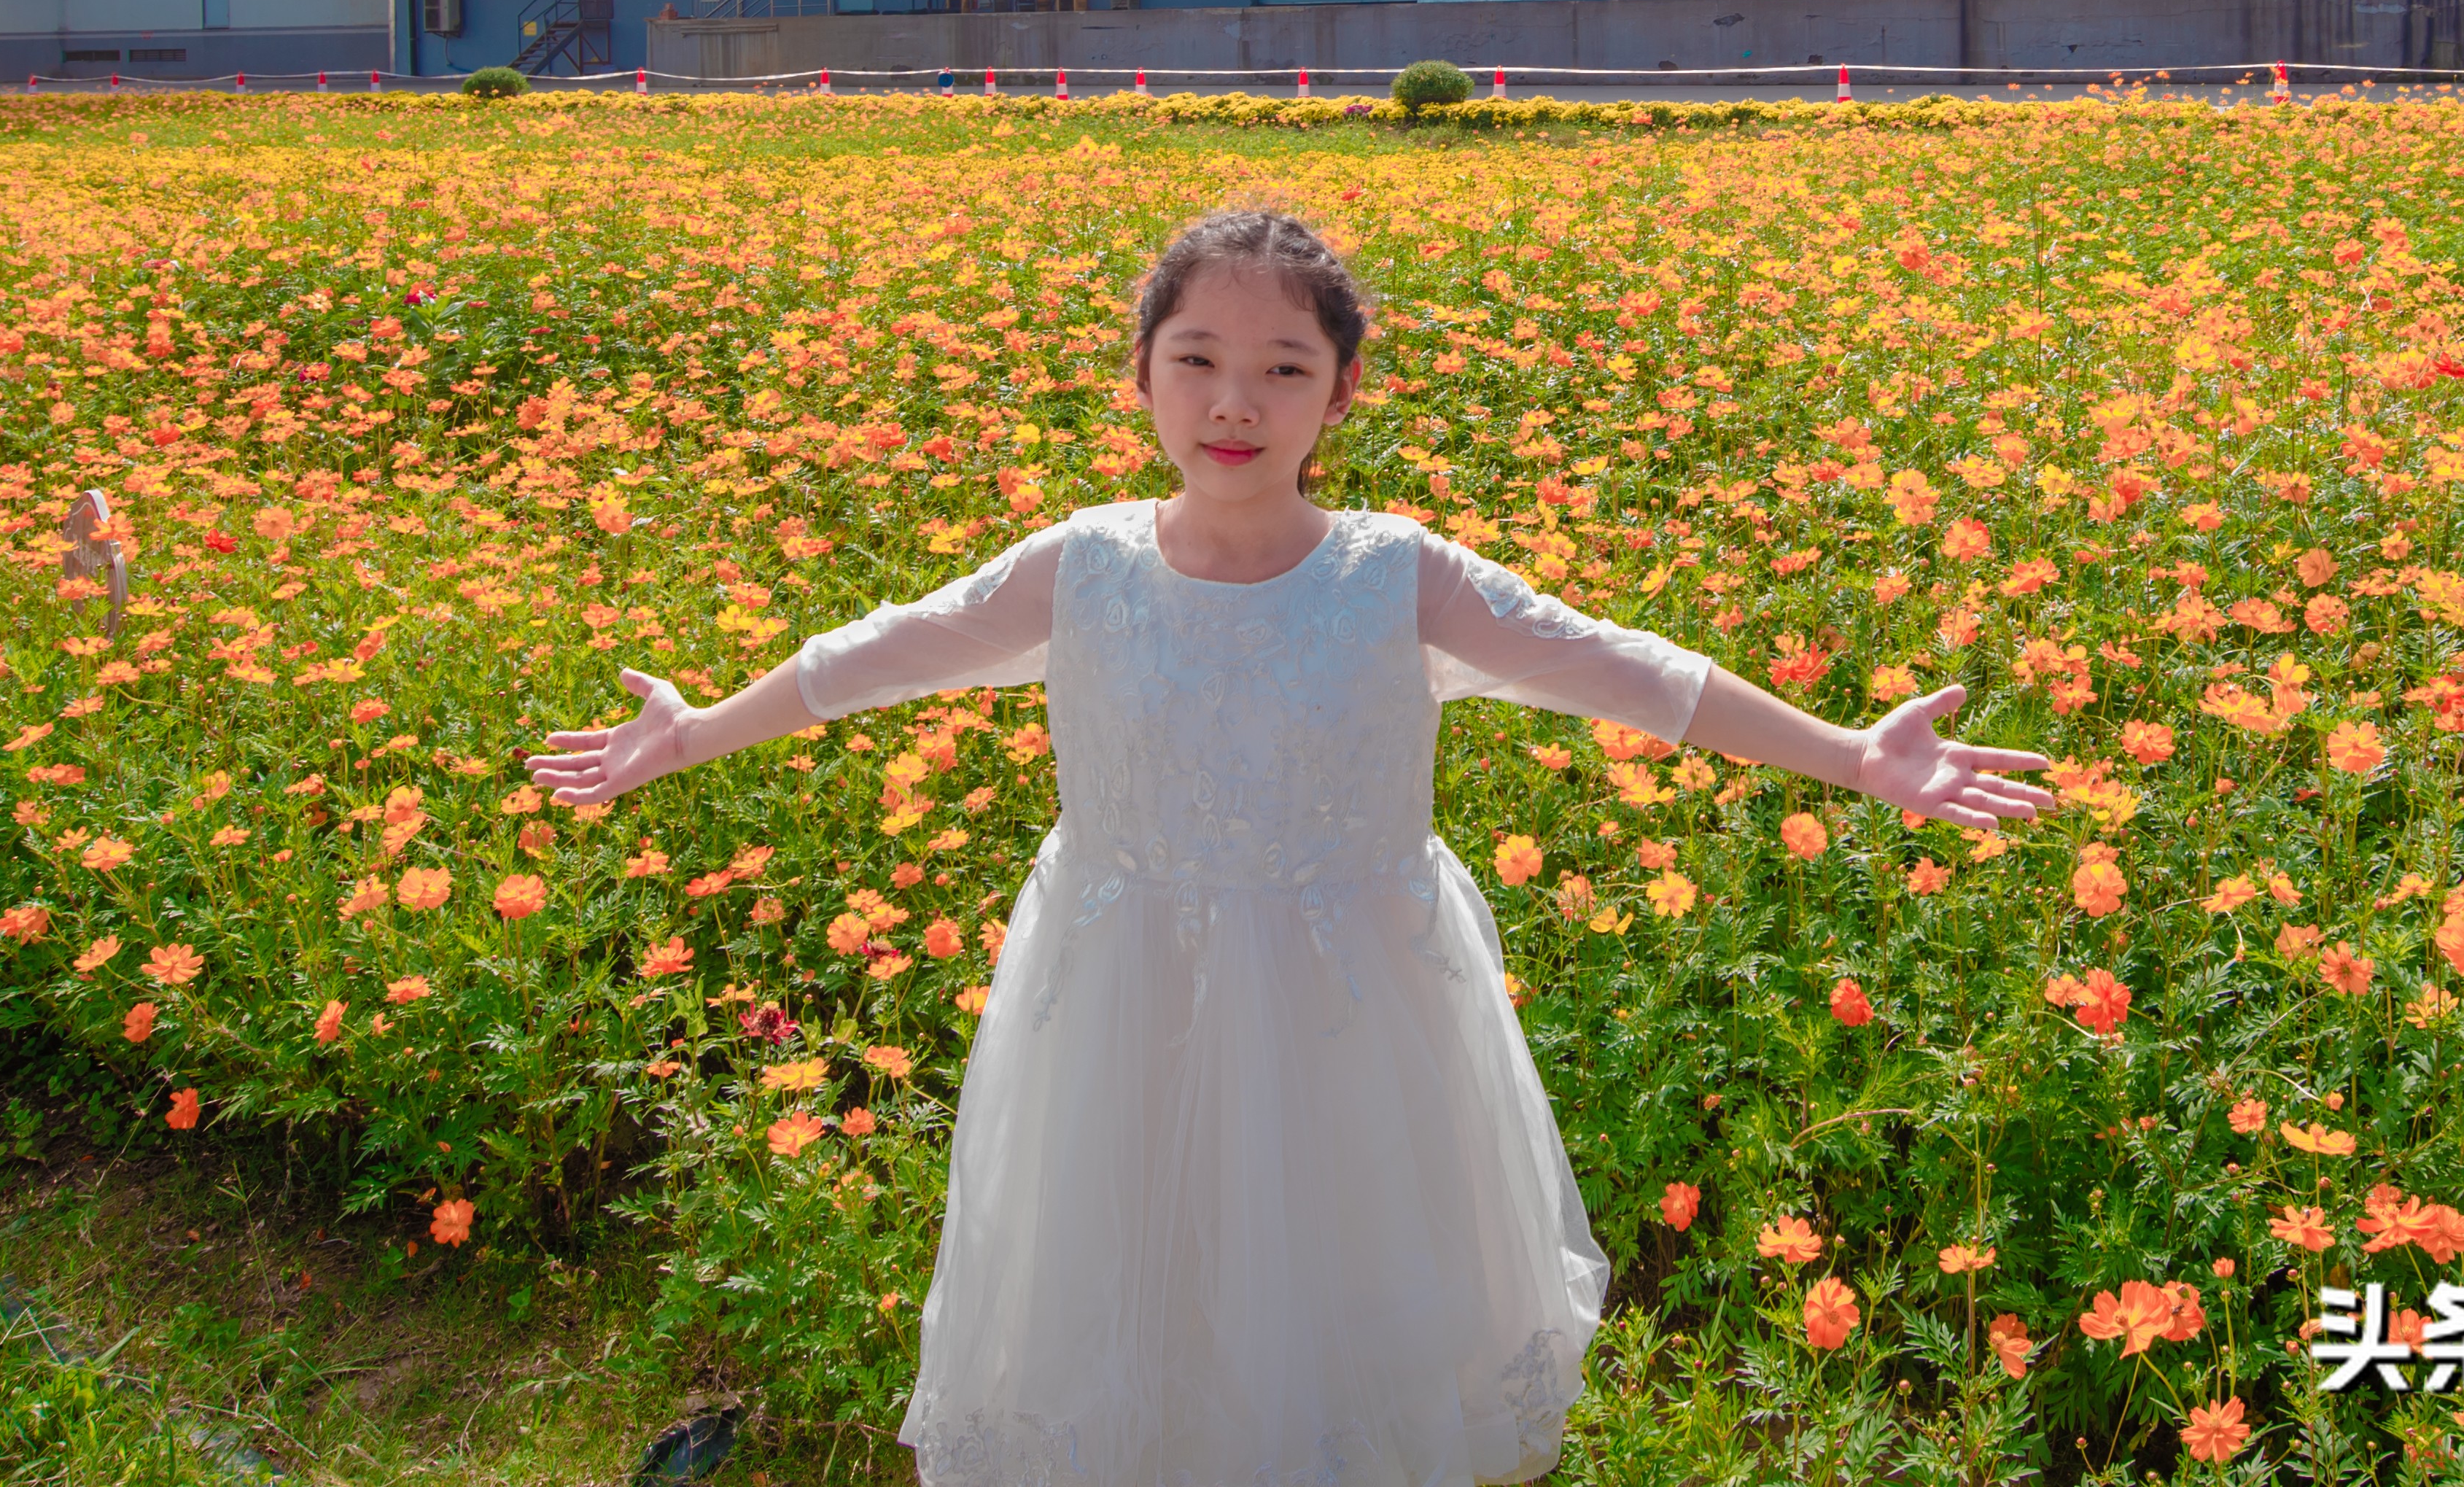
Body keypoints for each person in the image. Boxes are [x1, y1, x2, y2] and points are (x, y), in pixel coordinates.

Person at [529, 206, 2053, 1485]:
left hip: (1350, 1008)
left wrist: (1854, 759)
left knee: (1337, 1298)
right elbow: (880, 649)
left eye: (1280, 366)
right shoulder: (1080, 568)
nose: (1232, 402)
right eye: (1194, 359)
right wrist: (694, 727)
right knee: (1133, 1288)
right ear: (1140, 375)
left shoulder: (1399, 578)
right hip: (1121, 990)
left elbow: (1628, 668)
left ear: (1340, 392)